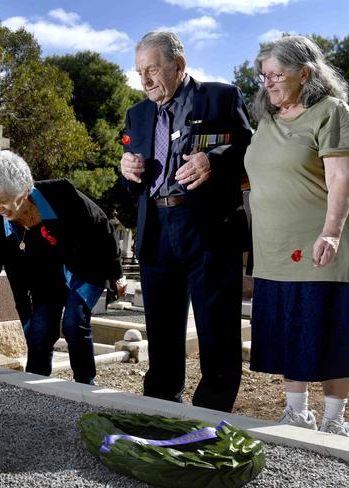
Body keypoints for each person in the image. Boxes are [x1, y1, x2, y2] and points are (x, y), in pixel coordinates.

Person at [119, 31, 252, 412]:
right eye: (139, 71)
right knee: (161, 326)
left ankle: (211, 412)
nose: (144, 80)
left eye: (152, 69)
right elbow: (131, 183)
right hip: (156, 226)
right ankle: (162, 405)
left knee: (216, 325)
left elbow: (249, 147)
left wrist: (215, 159)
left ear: (178, 65)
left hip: (208, 226)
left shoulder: (220, 97)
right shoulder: (137, 114)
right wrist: (126, 170)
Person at [0, 150, 126, 385]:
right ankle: (36, 388)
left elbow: (101, 225)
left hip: (83, 268)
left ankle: (85, 385)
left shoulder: (61, 193)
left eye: (4, 199)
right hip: (43, 283)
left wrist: (117, 273)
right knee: (39, 334)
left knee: (73, 323)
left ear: (24, 189)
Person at [244, 36, 349, 436]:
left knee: (328, 329)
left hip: (318, 244)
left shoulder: (331, 112)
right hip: (272, 249)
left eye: (277, 74)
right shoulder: (267, 120)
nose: (267, 83)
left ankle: (335, 419)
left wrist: (332, 232)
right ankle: (296, 412)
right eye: (264, 75)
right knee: (290, 330)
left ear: (305, 73)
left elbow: (341, 179)